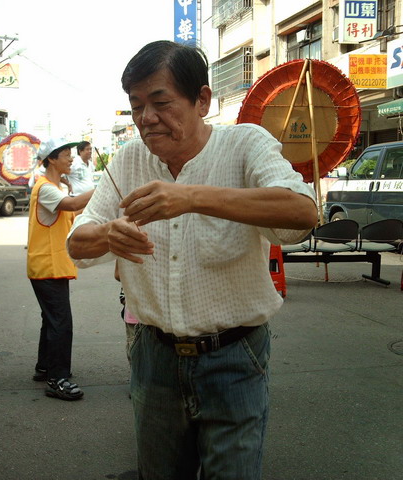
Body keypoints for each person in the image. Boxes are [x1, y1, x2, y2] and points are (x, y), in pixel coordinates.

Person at [67, 41, 318, 479]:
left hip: (235, 354)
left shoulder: (244, 144)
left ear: (202, 100)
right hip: (153, 356)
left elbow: (302, 212)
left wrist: (192, 197)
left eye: (160, 102)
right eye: (137, 106)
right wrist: (109, 234)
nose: (146, 118)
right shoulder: (129, 160)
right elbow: (77, 242)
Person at [27, 137, 95, 401]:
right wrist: (104, 190)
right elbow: (73, 205)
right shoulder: (45, 188)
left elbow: (73, 212)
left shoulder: (55, 188)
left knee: (51, 319)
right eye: (66, 154)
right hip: (47, 266)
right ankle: (57, 379)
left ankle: (45, 366)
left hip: (51, 266)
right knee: (61, 322)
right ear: (52, 159)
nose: (71, 158)